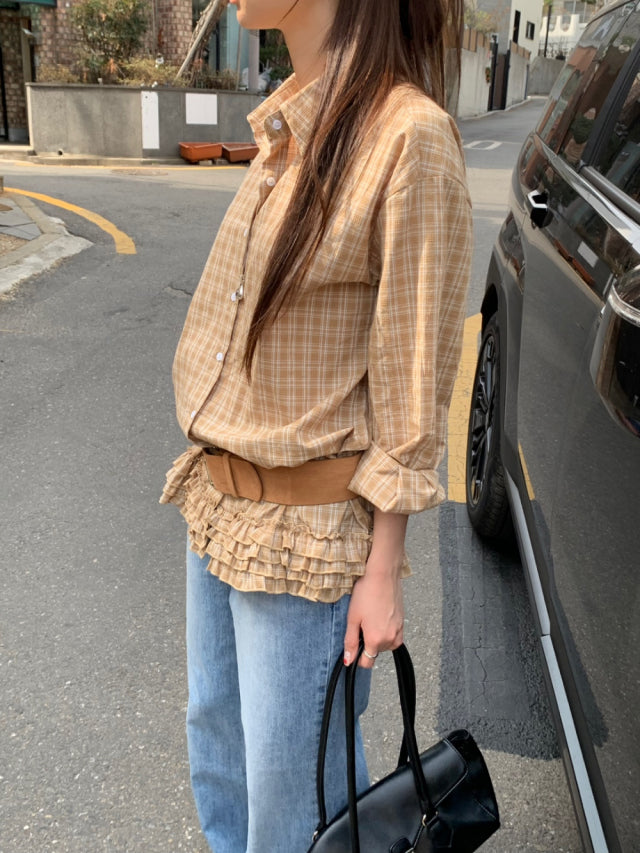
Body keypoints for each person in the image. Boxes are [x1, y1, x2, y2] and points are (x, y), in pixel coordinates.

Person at [160, 0, 472, 850]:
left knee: (296, 815)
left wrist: (384, 569)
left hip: (309, 542)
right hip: (218, 511)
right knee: (222, 764)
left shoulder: (408, 137)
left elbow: (412, 380)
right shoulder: (292, 125)